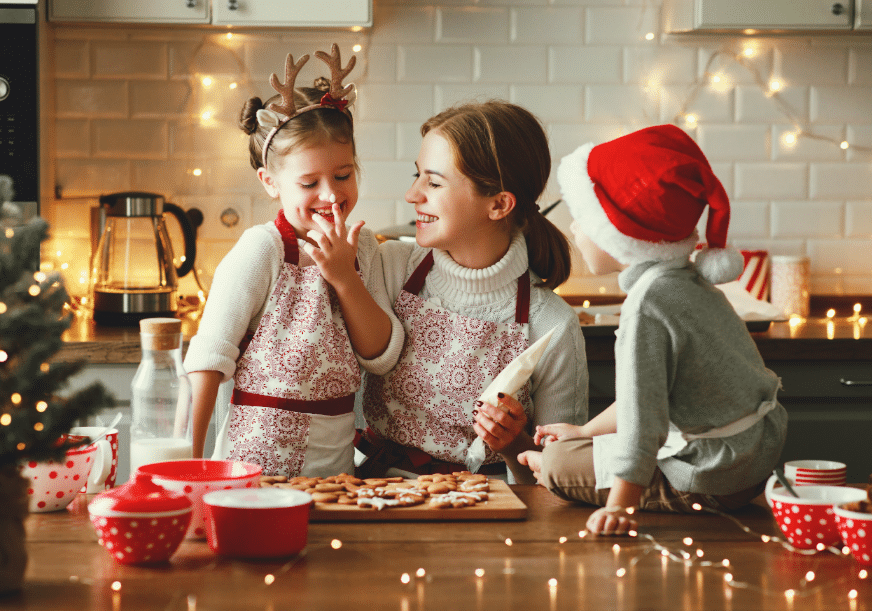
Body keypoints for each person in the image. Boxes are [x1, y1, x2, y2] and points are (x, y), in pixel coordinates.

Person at [517, 124, 788, 534]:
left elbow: (645, 421)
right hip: (748, 458)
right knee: (577, 445)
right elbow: (646, 396)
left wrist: (620, 507)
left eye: (582, 218)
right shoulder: (688, 282)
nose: (573, 229)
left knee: (558, 462)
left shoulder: (648, 305)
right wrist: (585, 432)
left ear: (621, 233)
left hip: (710, 475)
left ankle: (555, 470)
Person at [183, 45, 404, 478]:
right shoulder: (260, 250)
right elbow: (210, 356)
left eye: (343, 175)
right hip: (255, 462)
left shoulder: (363, 250)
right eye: (309, 182)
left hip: (334, 467)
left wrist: (344, 278)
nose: (330, 194)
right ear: (270, 182)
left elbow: (380, 354)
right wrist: (190, 461)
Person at [357, 100, 588, 484]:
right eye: (417, 176)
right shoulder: (392, 268)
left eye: (433, 182)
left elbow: (558, 481)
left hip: (487, 512)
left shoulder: (553, 325)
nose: (412, 195)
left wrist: (515, 444)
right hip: (380, 492)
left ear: (498, 204)